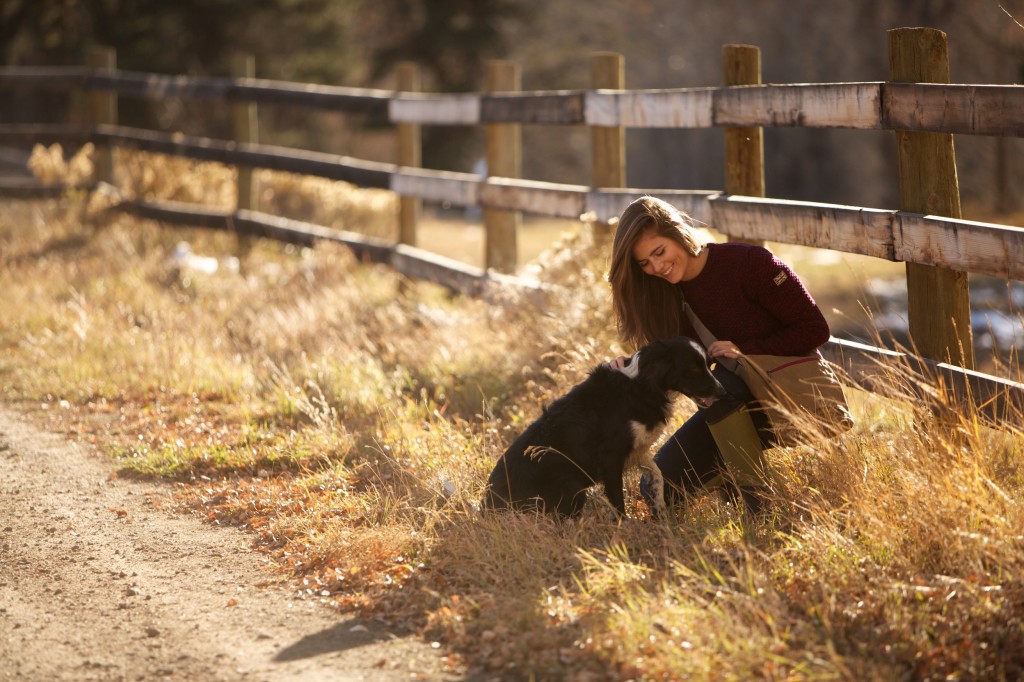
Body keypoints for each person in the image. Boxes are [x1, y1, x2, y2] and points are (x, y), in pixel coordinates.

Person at [606, 196, 831, 512]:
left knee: (716, 389)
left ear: (679, 234)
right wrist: (630, 369)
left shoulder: (749, 263)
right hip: (730, 410)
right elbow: (673, 367)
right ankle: (730, 480)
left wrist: (745, 353)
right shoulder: (665, 296)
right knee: (655, 489)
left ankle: (760, 505)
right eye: (645, 263)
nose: (656, 267)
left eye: (659, 252)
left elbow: (815, 329)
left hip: (789, 396)